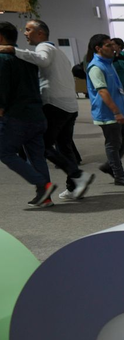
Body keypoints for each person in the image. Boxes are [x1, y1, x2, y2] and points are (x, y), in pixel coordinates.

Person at [0, 19, 94, 200]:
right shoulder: (57, 52)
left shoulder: (44, 48)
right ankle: (73, 187)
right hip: (68, 106)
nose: (25, 33)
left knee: (40, 148)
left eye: (28, 30)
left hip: (53, 104)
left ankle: (73, 176)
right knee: (63, 147)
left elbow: (42, 60)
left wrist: (13, 49)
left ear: (40, 33)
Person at [0, 21, 56, 208]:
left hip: (17, 115)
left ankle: (42, 185)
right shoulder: (28, 57)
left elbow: (2, 90)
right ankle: (45, 197)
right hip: (36, 114)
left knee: (5, 151)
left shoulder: (3, 58)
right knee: (36, 156)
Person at [84, 34, 124, 186]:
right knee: (113, 144)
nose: (113, 48)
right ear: (98, 48)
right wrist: (116, 111)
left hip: (120, 110)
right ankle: (119, 175)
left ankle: (110, 165)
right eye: (108, 45)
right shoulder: (96, 67)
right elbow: (102, 92)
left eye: (112, 45)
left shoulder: (109, 63)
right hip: (108, 113)